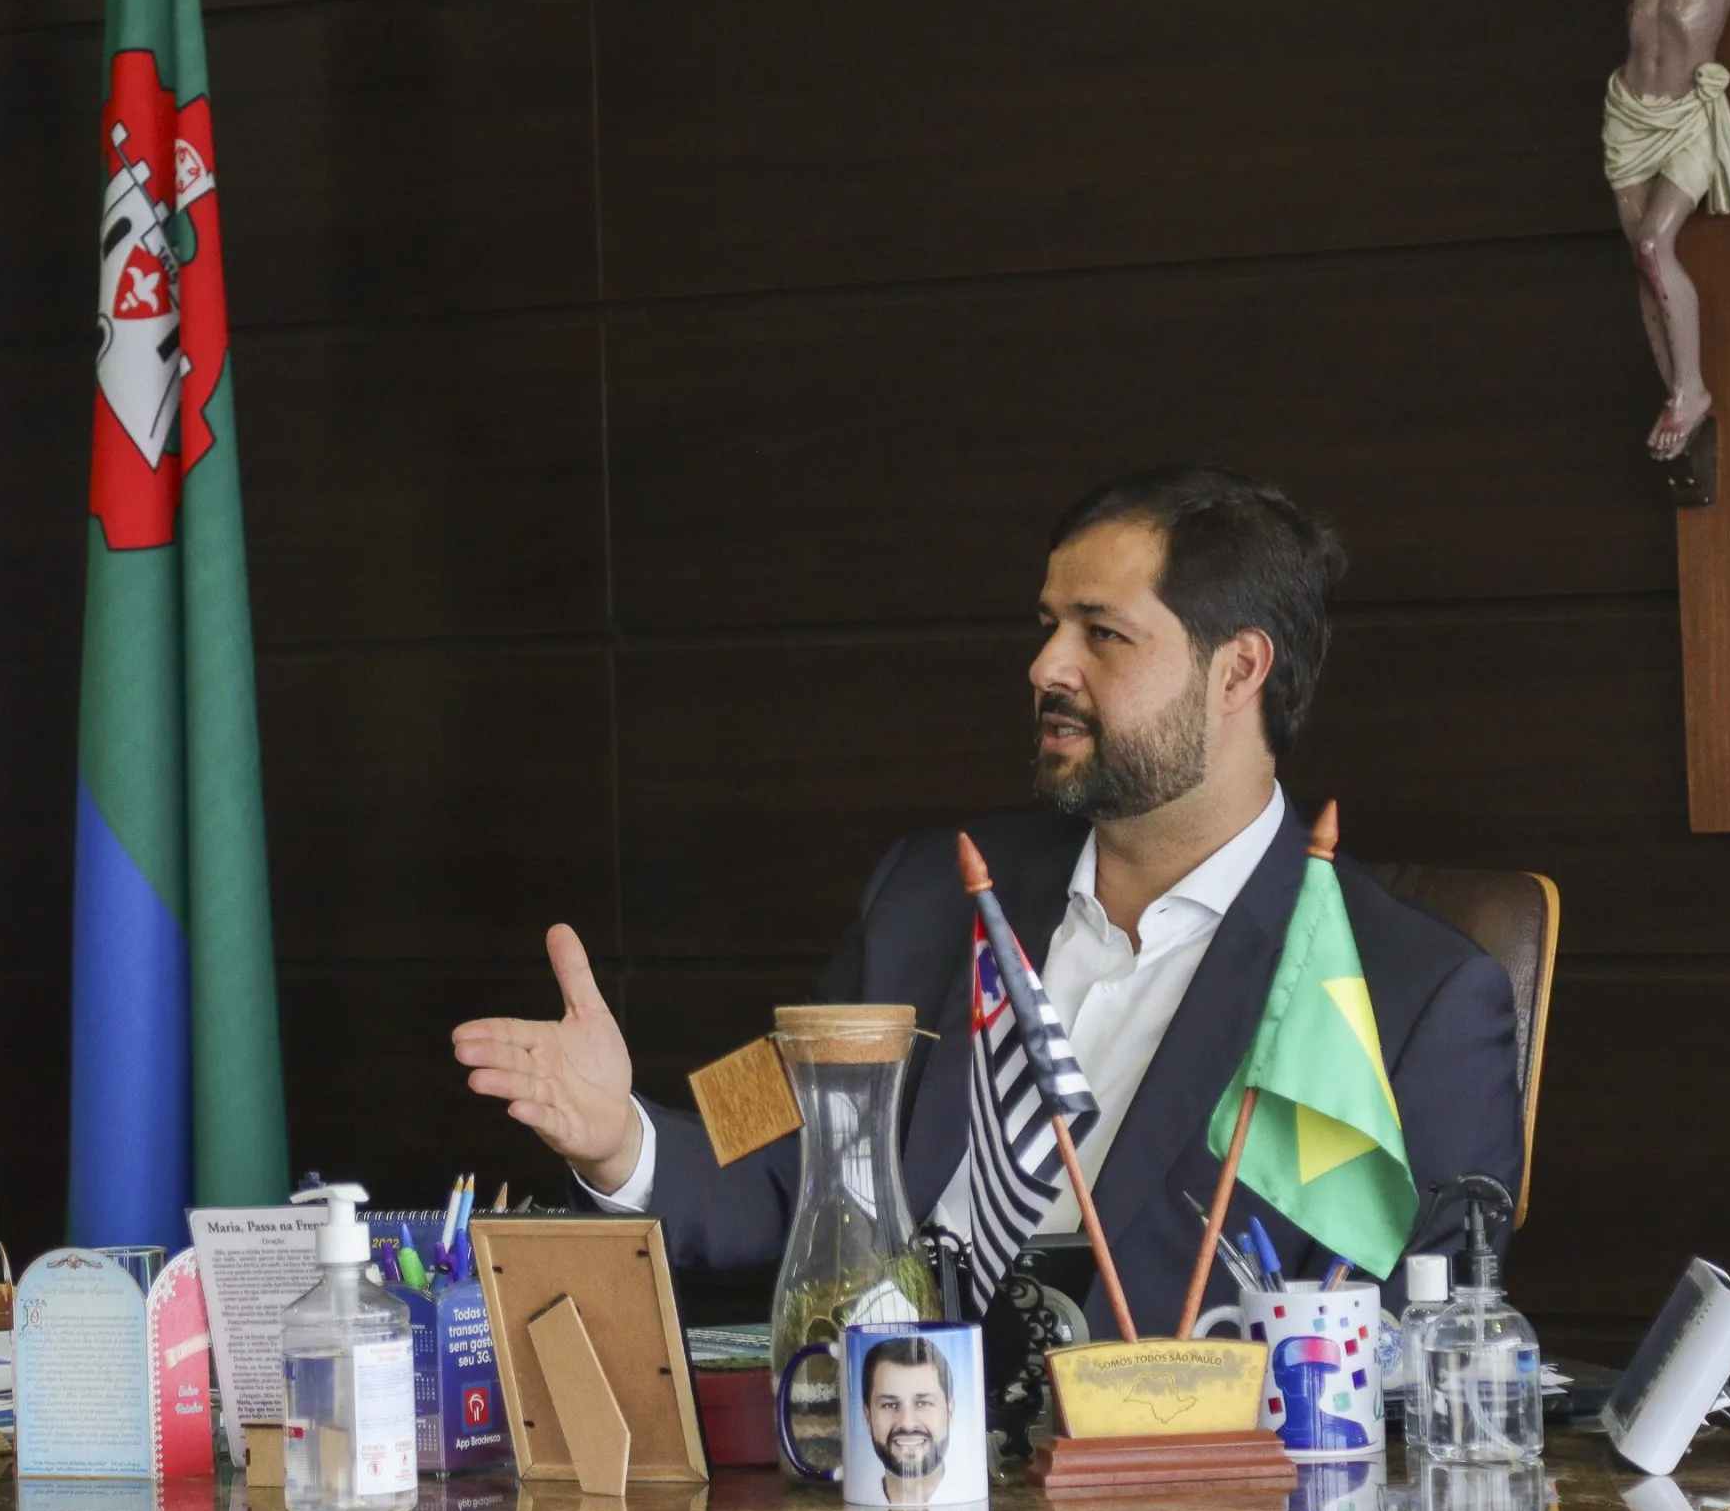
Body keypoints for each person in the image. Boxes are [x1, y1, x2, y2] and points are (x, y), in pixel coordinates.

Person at [454, 467, 1525, 1336]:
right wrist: (621, 1133)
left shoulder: (1408, 997)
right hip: (880, 1464)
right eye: (1048, 624)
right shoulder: (929, 891)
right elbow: (766, 1131)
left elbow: (1414, 1354)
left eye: (1102, 633)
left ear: (1238, 670)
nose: (1045, 665)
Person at [1601, 0, 1730, 461]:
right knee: (1641, 260)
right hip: (1629, 116)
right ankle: (1676, 394)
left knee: (1654, 246)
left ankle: (1691, 389)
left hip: (1686, 118)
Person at [862, 1336, 956, 1505]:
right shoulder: (860, 1500)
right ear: (868, 1417)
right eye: (890, 1405)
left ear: (949, 1412)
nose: (907, 1424)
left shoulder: (972, 1497)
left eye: (923, 1403)